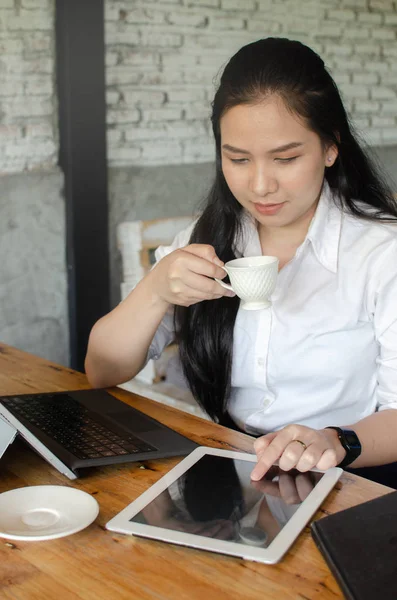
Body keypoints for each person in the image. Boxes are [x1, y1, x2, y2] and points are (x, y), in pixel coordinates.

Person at [85, 37, 397, 488]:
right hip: (232, 467)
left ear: (331, 148)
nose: (260, 185)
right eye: (238, 159)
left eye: (285, 158)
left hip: (356, 474)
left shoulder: (380, 251)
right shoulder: (204, 242)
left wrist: (335, 442)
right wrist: (154, 290)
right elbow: (101, 371)